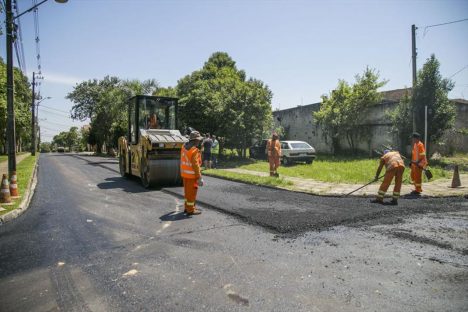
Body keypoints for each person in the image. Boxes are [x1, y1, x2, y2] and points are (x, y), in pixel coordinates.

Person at [180, 131, 204, 215]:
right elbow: (195, 165)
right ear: (195, 140)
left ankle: (187, 207)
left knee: (187, 193)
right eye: (198, 140)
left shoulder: (183, 147)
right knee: (192, 193)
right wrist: (199, 177)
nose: (199, 142)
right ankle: (190, 210)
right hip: (192, 176)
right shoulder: (194, 150)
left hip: (184, 175)